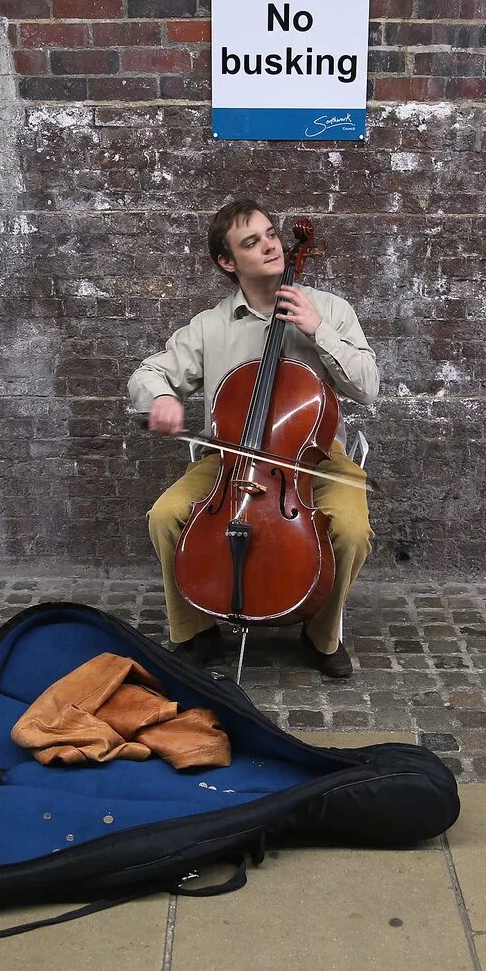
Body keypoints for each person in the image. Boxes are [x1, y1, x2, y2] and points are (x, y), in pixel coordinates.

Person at [127, 198, 380, 678]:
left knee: (349, 530)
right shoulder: (211, 326)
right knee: (165, 516)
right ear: (228, 262)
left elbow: (367, 387)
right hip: (231, 461)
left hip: (316, 460)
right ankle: (196, 632)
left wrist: (317, 329)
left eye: (270, 234)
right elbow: (148, 372)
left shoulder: (330, 309)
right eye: (251, 242)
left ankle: (320, 635)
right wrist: (159, 397)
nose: (270, 245)